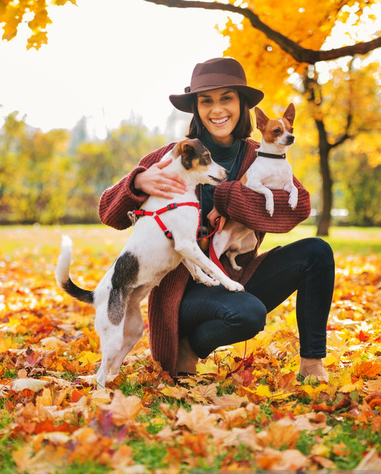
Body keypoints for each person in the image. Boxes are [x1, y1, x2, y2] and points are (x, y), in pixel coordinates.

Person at [98, 57, 335, 383]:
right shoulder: (175, 155)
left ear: (242, 105)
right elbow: (108, 213)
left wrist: (227, 198)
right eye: (206, 100)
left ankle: (312, 363)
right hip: (184, 292)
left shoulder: (260, 152)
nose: (217, 109)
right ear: (196, 107)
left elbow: (297, 206)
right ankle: (188, 347)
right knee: (248, 314)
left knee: (317, 252)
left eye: (226, 98)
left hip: (238, 273)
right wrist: (136, 184)